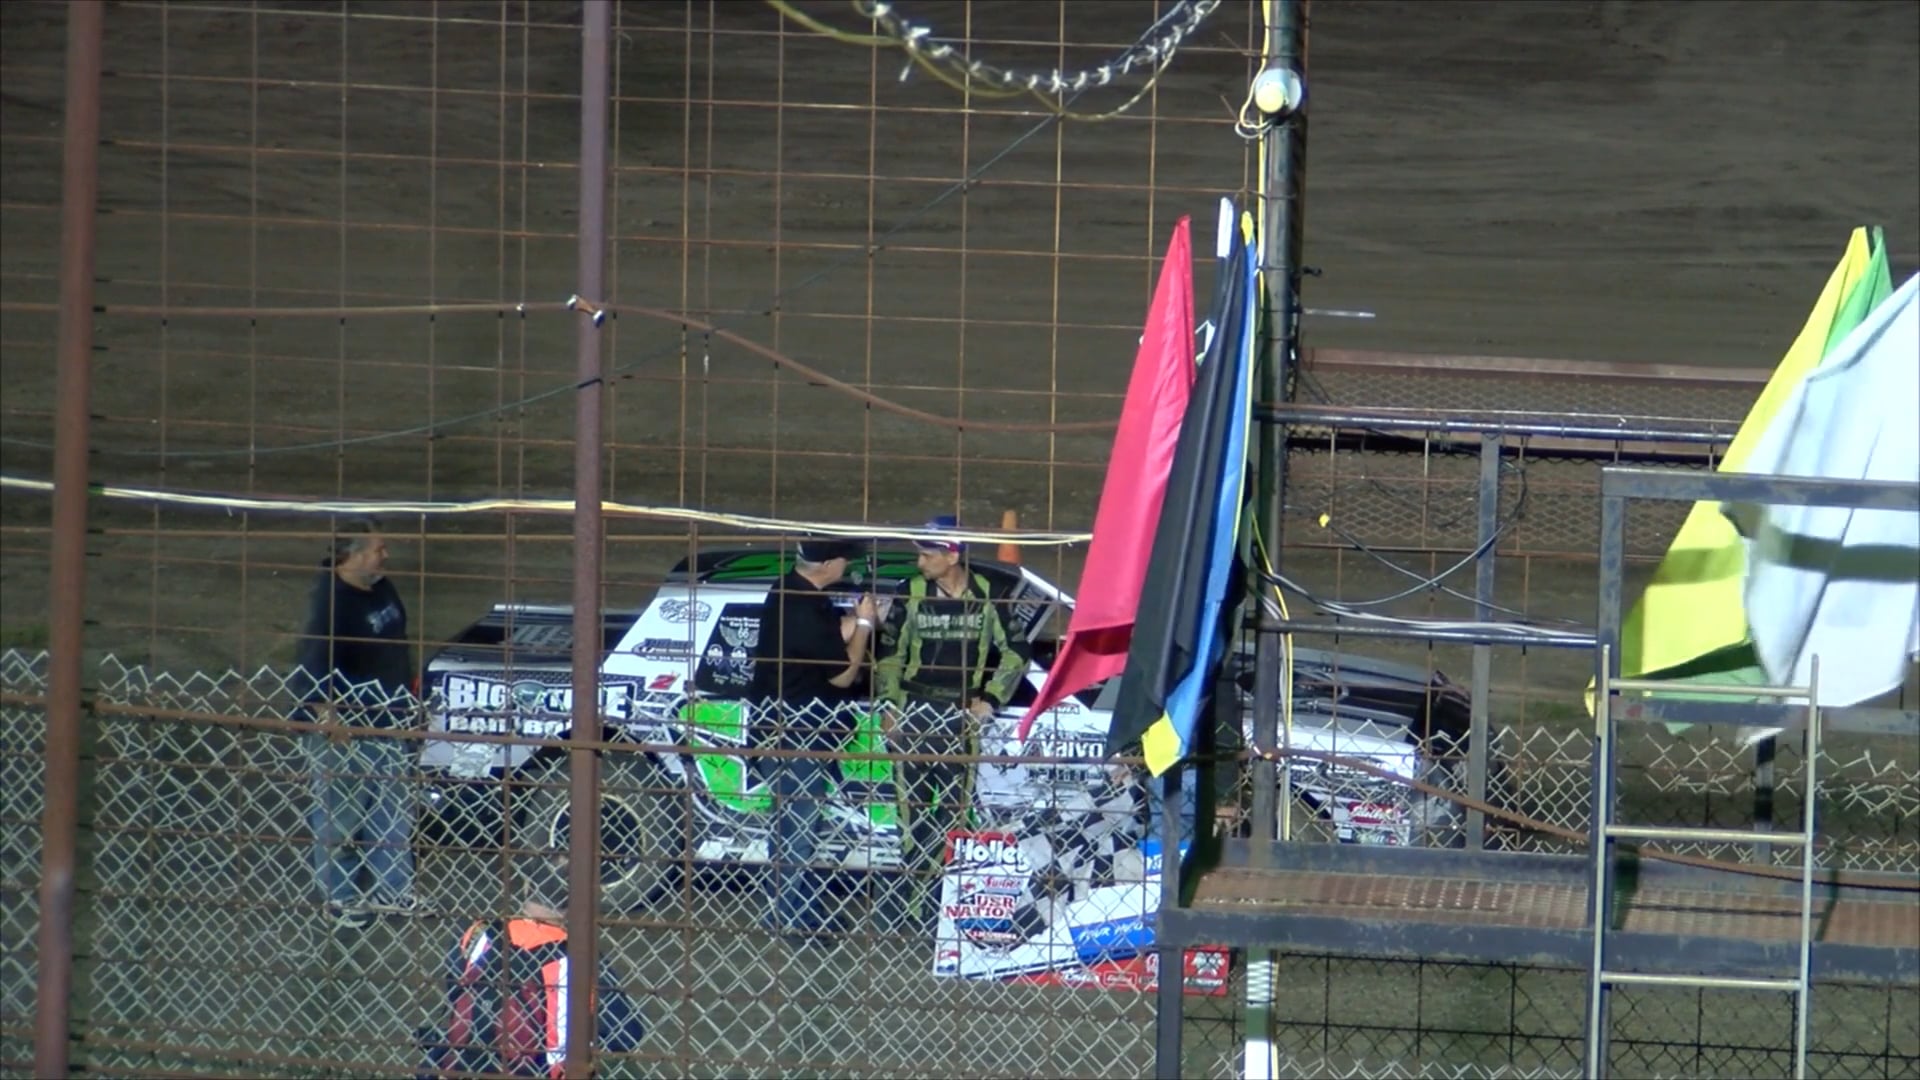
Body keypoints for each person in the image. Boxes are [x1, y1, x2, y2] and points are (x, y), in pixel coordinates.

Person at [873, 516, 1028, 932]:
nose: (920, 561)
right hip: (911, 716)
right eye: (920, 553)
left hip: (961, 720)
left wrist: (991, 700)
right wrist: (889, 707)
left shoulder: (989, 595)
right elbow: (889, 654)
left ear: (953, 554)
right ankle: (912, 912)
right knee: (913, 818)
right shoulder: (911, 591)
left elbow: (1016, 653)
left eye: (927, 554)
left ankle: (946, 913)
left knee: (957, 820)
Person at [291, 516, 422, 928]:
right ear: (353, 555)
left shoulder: (380, 588)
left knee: (393, 815)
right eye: (378, 549)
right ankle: (340, 898)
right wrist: (332, 724)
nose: (386, 555)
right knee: (341, 818)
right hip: (348, 729)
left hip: (389, 719)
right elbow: (310, 672)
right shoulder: (333, 604)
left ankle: (394, 891)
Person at [748, 537, 878, 944]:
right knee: (797, 829)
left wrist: (851, 622)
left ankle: (803, 910)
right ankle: (791, 921)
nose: (847, 566)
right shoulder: (803, 609)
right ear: (827, 564)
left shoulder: (789, 590)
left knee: (792, 826)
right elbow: (841, 674)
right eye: (844, 559)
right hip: (796, 734)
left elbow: (818, 638)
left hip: (784, 729)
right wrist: (866, 626)